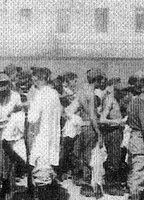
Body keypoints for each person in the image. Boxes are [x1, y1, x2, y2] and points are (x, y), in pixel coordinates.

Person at [65, 68, 104, 196]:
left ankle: (85, 184)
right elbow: (93, 116)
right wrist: (98, 132)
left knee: (84, 155)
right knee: (91, 155)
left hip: (82, 127)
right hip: (90, 127)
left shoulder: (81, 91)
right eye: (101, 80)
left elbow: (70, 110)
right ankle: (89, 185)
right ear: (97, 80)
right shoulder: (91, 94)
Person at [27, 68, 62, 186]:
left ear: (37, 79)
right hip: (53, 136)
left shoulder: (40, 94)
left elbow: (32, 118)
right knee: (47, 168)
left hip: (40, 136)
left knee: (40, 170)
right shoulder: (54, 93)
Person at [127, 76, 144, 200]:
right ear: (143, 89)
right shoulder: (141, 104)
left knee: (134, 172)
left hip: (134, 138)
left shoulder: (133, 102)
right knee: (140, 174)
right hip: (141, 140)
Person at [0, 73, 22, 199]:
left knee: (10, 163)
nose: (2, 87)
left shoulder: (15, 96)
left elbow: (19, 115)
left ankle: (10, 191)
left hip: (10, 132)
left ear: (8, 84)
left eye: (4, 83)